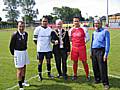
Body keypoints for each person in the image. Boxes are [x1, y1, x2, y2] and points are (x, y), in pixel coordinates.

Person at [90, 18, 110, 90]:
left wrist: (106, 54)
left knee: (102, 68)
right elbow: (92, 42)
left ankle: (105, 83)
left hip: (101, 51)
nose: (96, 24)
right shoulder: (94, 32)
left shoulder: (105, 31)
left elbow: (108, 43)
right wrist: (90, 52)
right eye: (95, 23)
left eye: (98, 23)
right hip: (94, 51)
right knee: (95, 66)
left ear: (101, 24)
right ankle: (97, 79)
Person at [9, 21, 30, 90]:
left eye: (23, 26)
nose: (21, 28)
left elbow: (25, 43)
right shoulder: (15, 34)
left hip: (24, 52)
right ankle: (20, 85)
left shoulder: (26, 34)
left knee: (24, 67)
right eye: (20, 26)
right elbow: (11, 46)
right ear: (17, 26)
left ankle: (23, 81)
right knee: (19, 69)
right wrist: (14, 54)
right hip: (18, 53)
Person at [69, 16, 90, 81]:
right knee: (75, 62)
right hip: (74, 48)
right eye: (75, 21)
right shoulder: (70, 30)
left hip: (82, 48)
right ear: (73, 22)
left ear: (79, 22)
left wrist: (82, 44)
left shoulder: (84, 29)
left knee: (84, 61)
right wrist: (74, 44)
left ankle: (87, 75)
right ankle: (75, 75)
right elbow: (70, 39)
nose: (76, 22)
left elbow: (88, 38)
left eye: (77, 21)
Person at [33, 16, 53, 81]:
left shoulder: (50, 29)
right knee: (40, 63)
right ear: (41, 22)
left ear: (47, 22)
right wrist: (39, 45)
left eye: (46, 21)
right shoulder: (37, 29)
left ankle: (49, 74)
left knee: (48, 62)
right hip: (40, 50)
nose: (44, 22)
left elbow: (51, 39)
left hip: (48, 49)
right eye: (43, 21)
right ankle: (40, 75)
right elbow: (35, 40)